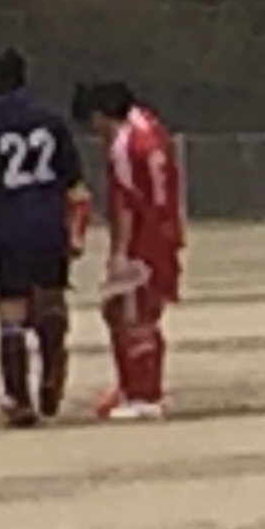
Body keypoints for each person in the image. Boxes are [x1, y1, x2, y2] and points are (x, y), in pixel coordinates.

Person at [0, 49, 90, 427]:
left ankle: (19, 398)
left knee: (12, 309)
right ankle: (52, 371)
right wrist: (75, 229)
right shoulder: (51, 120)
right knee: (51, 298)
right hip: (48, 218)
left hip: (9, 222)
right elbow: (74, 182)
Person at [79, 81, 183, 421]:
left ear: (100, 116)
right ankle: (130, 385)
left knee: (135, 315)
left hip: (144, 236)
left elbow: (127, 203)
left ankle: (145, 396)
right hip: (164, 230)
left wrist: (120, 252)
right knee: (118, 310)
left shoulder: (125, 144)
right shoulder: (149, 125)